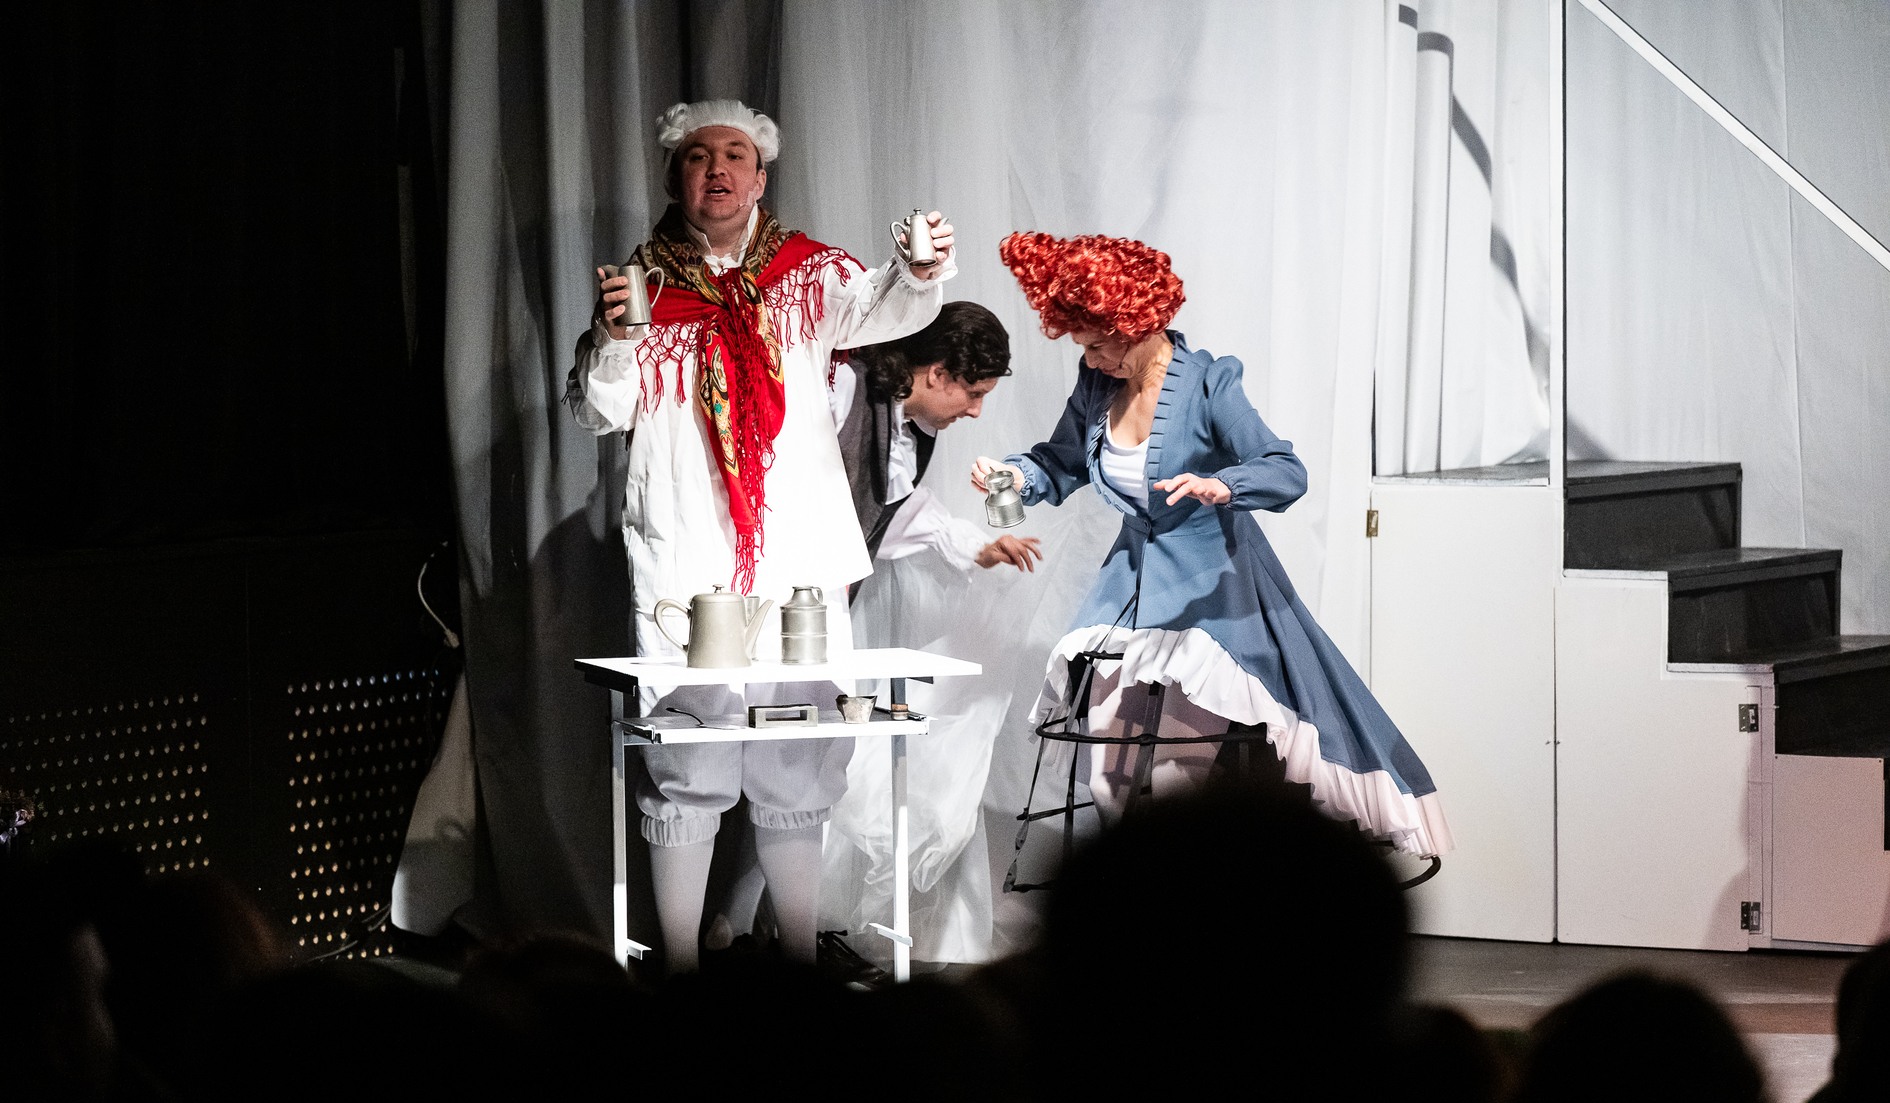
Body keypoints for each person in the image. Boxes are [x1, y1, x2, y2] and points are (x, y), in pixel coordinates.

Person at [564, 98, 957, 970]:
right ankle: (681, 973)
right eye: (698, 156)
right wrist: (619, 336)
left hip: (793, 559)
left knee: (798, 751)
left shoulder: (806, 276)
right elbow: (601, 410)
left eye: (735, 155)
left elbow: (882, 308)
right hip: (688, 559)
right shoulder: (643, 286)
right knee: (688, 760)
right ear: (675, 177)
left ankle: (800, 964)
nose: (717, 170)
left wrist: (919, 269)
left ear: (760, 177)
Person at [974, 231, 1449, 854]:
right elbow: (1060, 461)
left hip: (1208, 598)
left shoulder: (1208, 383)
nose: (1088, 359)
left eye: (1095, 344)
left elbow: (1286, 470)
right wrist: (1014, 477)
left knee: (1176, 779)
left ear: (1133, 324)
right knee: (1109, 777)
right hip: (1128, 589)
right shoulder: (1097, 385)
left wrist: (1224, 486)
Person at [834, 300, 1040, 583]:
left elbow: (895, 511)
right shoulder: (845, 388)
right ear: (938, 374)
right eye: (974, 394)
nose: (976, 411)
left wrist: (980, 550)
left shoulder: (910, 430)